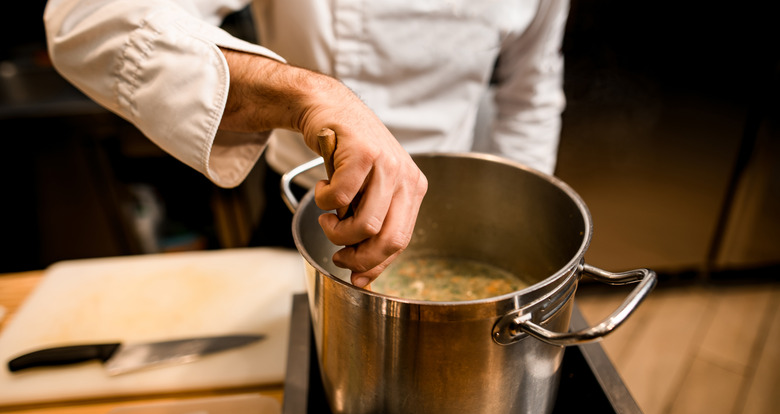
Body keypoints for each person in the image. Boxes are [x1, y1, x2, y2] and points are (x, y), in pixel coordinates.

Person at [43, 0, 569, 287]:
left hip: (451, 207)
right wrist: (307, 96)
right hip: (311, 213)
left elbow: (531, 91)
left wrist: (512, 222)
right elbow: (87, 16)